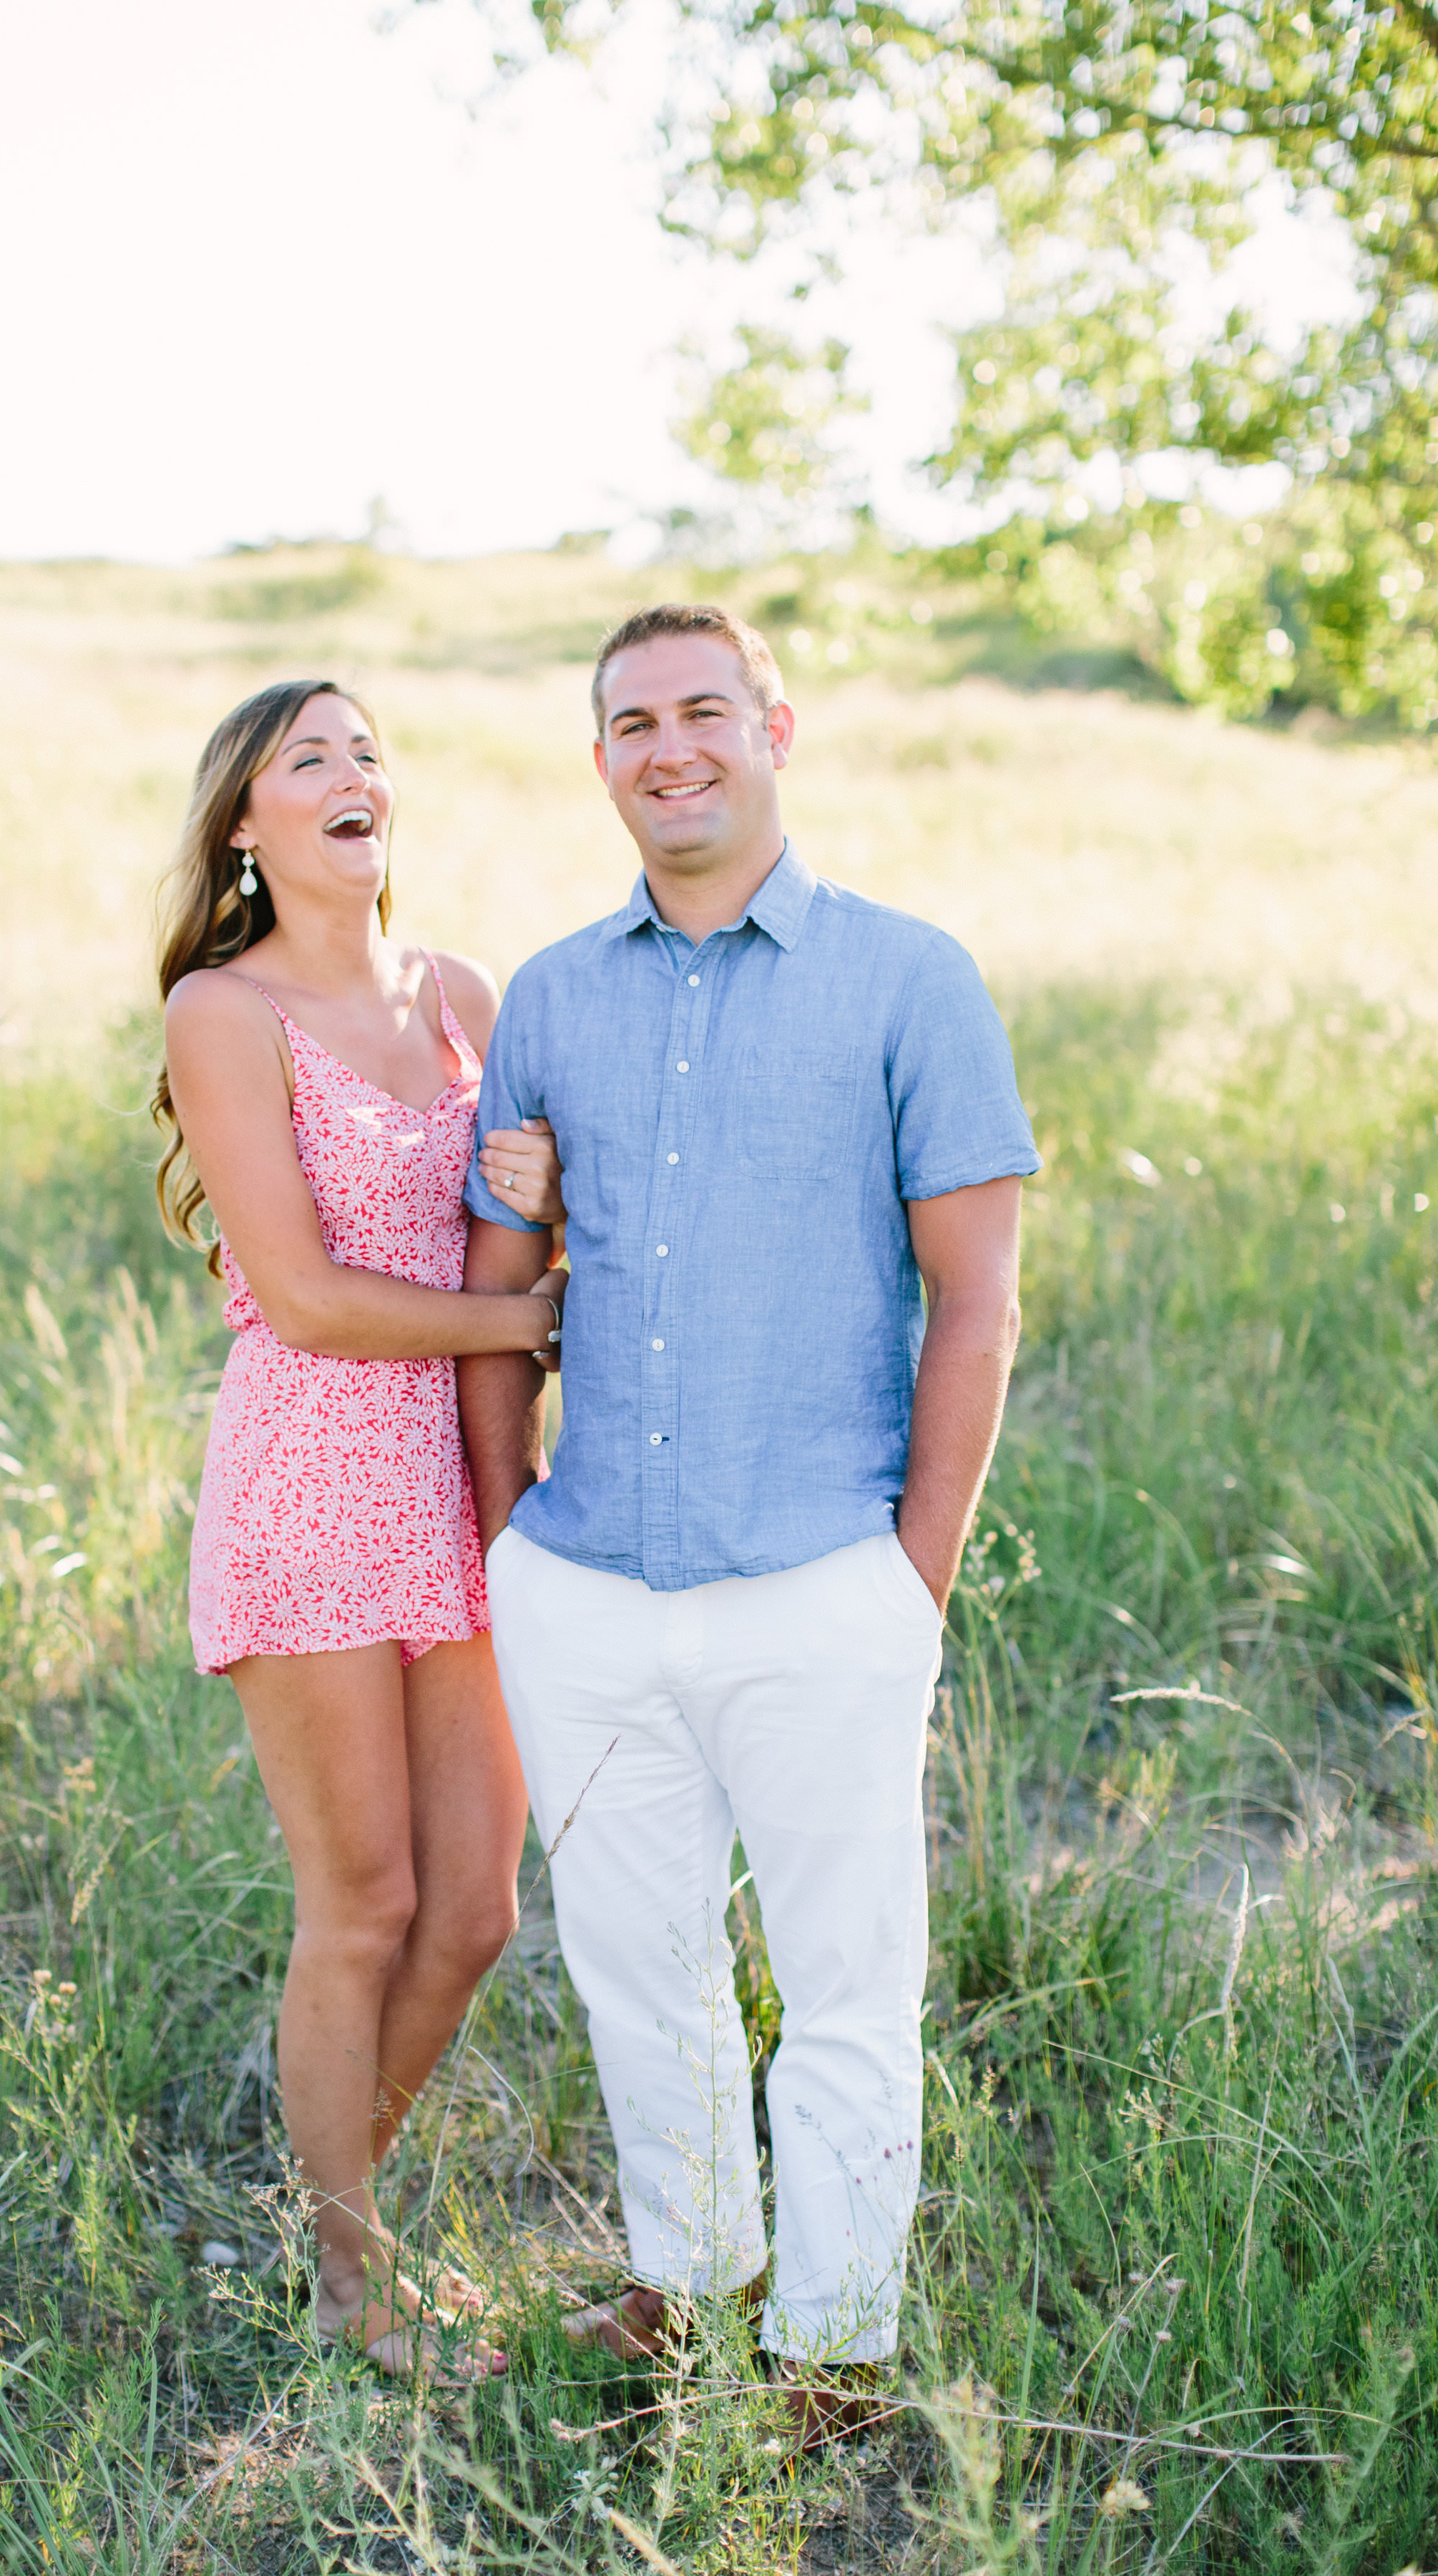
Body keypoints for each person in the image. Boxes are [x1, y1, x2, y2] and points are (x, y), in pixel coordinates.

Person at [457, 603, 1040, 2439]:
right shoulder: (552, 994)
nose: (669, 747)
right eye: (630, 721)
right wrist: (508, 1542)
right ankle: (692, 2282)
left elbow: (980, 1302)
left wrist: (908, 1579)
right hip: (590, 1577)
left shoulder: (911, 977)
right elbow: (506, 1281)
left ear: (775, 725)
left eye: (704, 709)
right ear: (604, 756)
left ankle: (840, 2349)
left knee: (849, 1976)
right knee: (640, 1967)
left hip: (821, 1578)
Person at [154, 677, 567, 2384]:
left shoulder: (466, 994)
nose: (351, 775)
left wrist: (539, 1295)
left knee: (474, 1910)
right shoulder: (221, 1009)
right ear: (245, 828)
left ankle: (334, 2229)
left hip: (469, 1482)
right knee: (365, 1902)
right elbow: (312, 1299)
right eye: (303, 759)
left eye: (367, 752)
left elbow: (532, 1232)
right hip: (316, 1475)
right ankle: (352, 2283)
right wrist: (533, 1319)